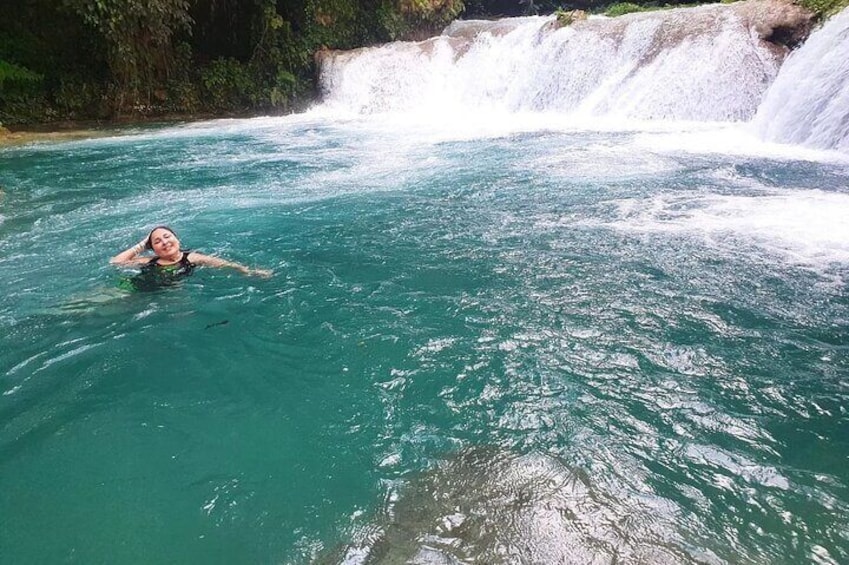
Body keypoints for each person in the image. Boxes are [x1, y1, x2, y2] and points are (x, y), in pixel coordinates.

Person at [111, 226, 272, 291]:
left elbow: (224, 264)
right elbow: (116, 263)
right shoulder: (149, 260)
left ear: (177, 239)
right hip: (131, 288)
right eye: (157, 241)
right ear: (152, 248)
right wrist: (141, 245)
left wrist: (249, 271)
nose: (165, 242)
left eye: (167, 237)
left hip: (159, 295)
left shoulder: (191, 258)